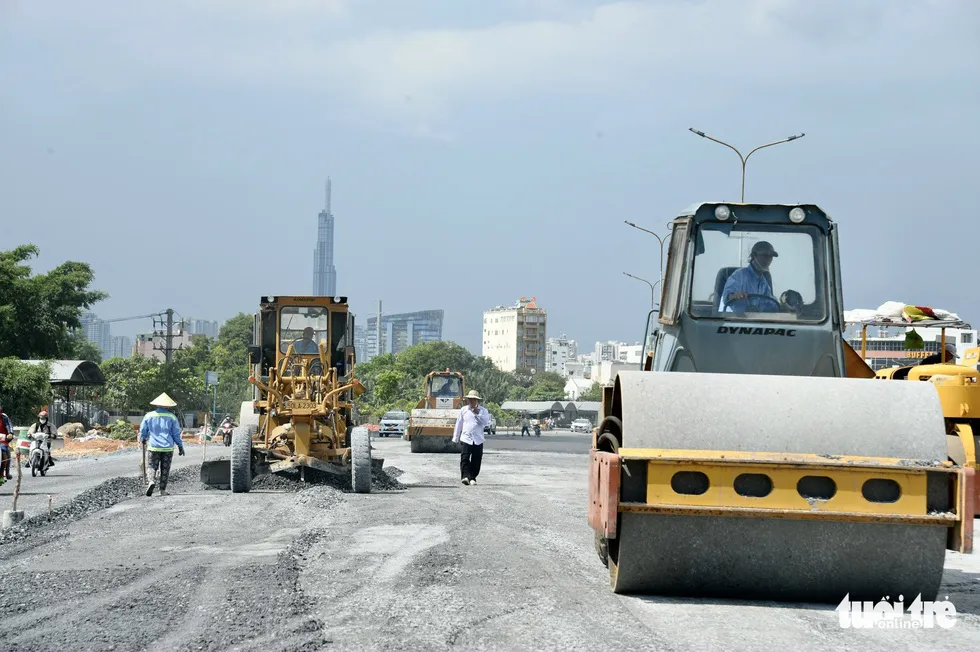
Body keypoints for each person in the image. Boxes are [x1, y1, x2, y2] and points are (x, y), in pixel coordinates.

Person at [139, 392, 185, 496]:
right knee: (165, 469)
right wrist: (180, 446)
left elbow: (143, 430)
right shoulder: (172, 417)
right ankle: (162, 490)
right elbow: (175, 434)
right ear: (168, 406)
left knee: (151, 465)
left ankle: (151, 481)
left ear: (156, 404)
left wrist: (143, 439)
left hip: (153, 446)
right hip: (167, 448)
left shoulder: (148, 416)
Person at [720, 241, 779, 313]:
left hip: (757, 322)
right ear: (754, 256)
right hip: (734, 321)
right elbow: (727, 296)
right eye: (765, 256)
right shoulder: (740, 275)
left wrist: (785, 304)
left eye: (770, 257)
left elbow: (772, 306)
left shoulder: (764, 283)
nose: (768, 260)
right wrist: (734, 296)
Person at [452, 390, 489, 486]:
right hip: (466, 437)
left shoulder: (483, 411)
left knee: (476, 459)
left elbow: (485, 422)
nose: (472, 401)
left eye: (474, 399)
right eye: (470, 399)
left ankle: (472, 477)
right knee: (464, 457)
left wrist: (478, 413)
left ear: (477, 401)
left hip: (478, 439)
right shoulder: (463, 410)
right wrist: (455, 437)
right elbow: (459, 423)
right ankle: (465, 476)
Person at [0, 399, 13, 484]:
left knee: (5, 452)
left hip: (2, 440)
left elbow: (10, 427)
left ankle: (4, 473)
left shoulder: (4, 417)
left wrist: (10, 434)